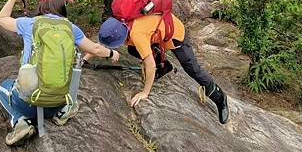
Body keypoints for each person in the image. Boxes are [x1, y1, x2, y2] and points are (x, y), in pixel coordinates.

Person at [0, 0, 120, 147]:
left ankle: (20, 122)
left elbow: (1, 19)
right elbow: (95, 49)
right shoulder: (71, 28)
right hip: (59, 101)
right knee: (64, 87)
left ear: (42, 3)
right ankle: (61, 113)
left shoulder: (28, 24)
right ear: (61, 3)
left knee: (2, 88)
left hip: (29, 103)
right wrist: (111, 53)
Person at [96, 11, 229, 124]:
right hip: (157, 30)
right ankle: (164, 67)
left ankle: (220, 98)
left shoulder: (137, 35)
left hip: (174, 32)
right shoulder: (119, 23)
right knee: (133, 49)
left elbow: (150, 64)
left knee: (192, 68)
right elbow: (102, 43)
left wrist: (145, 93)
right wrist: (85, 59)